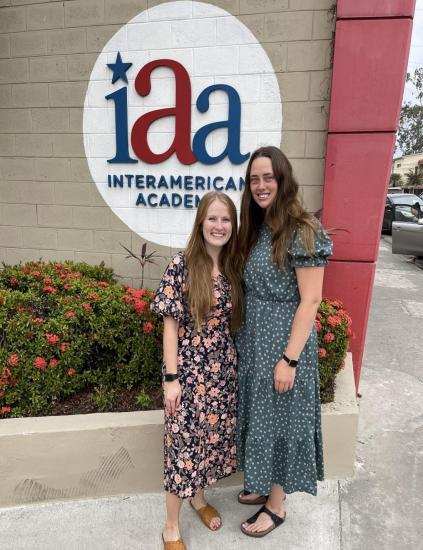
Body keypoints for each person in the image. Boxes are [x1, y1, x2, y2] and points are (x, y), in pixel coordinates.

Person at [236, 146, 333, 538]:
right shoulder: (259, 226)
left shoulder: (303, 229)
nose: (261, 186)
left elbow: (311, 300)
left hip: (283, 345)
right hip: (256, 341)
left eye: (268, 178)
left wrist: (289, 359)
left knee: (278, 421)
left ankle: (275, 506)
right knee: (262, 417)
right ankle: (261, 483)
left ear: (283, 179)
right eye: (254, 179)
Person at [151, 191, 243, 550]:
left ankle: (199, 499)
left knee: (207, 444)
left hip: (222, 374)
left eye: (226, 220)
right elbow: (170, 324)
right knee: (182, 448)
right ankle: (171, 527)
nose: (219, 226)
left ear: (232, 226)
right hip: (188, 375)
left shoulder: (233, 266)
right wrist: (171, 380)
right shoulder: (182, 264)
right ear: (200, 222)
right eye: (213, 219)